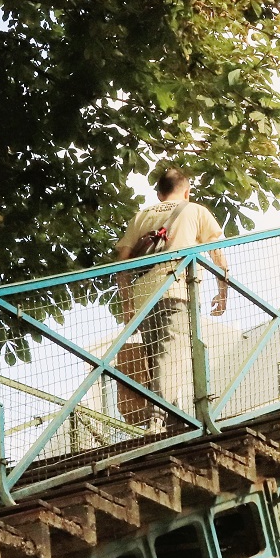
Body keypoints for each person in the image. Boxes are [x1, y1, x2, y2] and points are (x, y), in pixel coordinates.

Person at [113, 166, 230, 426]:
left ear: (159, 193)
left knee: (158, 357)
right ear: (187, 191)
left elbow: (121, 264)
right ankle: (156, 418)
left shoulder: (142, 215)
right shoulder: (195, 210)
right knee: (171, 354)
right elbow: (218, 254)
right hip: (176, 289)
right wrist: (223, 292)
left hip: (144, 295)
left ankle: (174, 423)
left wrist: (127, 304)